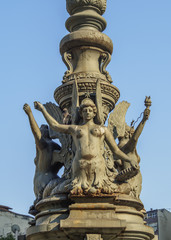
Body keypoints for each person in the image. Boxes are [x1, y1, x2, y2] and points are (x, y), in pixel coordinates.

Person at [34, 98, 137, 195]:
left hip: (98, 166)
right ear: (81, 113)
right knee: (75, 190)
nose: (87, 112)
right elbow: (55, 126)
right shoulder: (75, 129)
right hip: (80, 165)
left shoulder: (103, 129)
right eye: (85, 110)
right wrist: (42, 110)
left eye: (90, 110)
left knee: (110, 189)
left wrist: (129, 160)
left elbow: (116, 151)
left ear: (94, 113)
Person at [23, 104, 63, 205]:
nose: (41, 128)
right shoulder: (44, 148)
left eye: (44, 128)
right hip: (43, 186)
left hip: (48, 183)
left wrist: (30, 114)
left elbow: (36, 134)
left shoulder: (47, 145)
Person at [116, 107, 150, 198]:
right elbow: (135, 138)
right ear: (127, 133)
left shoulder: (119, 148)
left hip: (132, 180)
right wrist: (143, 120)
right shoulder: (126, 147)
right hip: (131, 180)